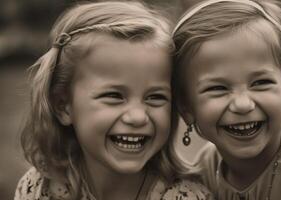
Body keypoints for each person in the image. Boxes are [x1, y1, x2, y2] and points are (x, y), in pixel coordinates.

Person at [15, 2, 213, 200]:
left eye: (155, 97)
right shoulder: (40, 188)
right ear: (63, 106)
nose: (137, 117)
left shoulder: (186, 196)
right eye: (114, 96)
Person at [172, 0, 281, 199]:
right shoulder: (206, 166)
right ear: (186, 107)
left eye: (260, 83)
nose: (243, 104)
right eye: (218, 88)